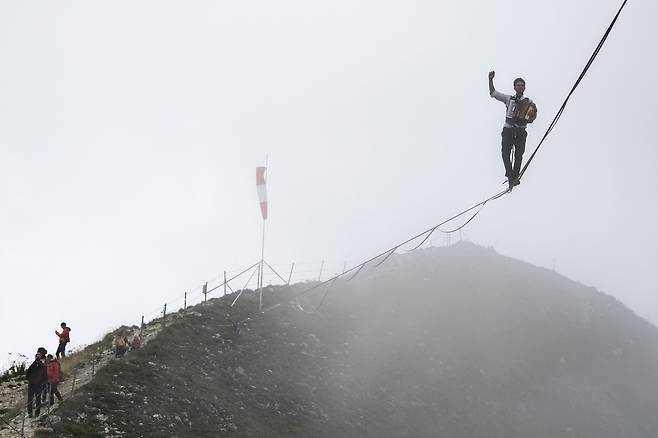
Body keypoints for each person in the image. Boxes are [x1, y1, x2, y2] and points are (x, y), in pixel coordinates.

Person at [488, 70, 537, 191]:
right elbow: (493, 93)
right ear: (514, 87)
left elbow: (532, 116)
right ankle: (510, 176)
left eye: (522, 85)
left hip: (521, 131)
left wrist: (532, 115)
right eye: (518, 85)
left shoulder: (529, 102)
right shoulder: (508, 99)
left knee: (519, 155)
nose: (520, 87)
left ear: (524, 87)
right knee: (505, 153)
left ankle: (515, 177)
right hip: (509, 130)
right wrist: (490, 79)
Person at [26, 353, 48, 418]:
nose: (37, 357)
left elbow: (46, 377)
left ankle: (37, 413)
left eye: (38, 356)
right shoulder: (32, 366)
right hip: (31, 385)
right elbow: (27, 375)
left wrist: (42, 383)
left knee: (38, 399)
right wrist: (30, 380)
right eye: (36, 356)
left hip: (38, 385)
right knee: (30, 399)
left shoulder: (43, 366)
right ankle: (30, 413)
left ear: (40, 357)